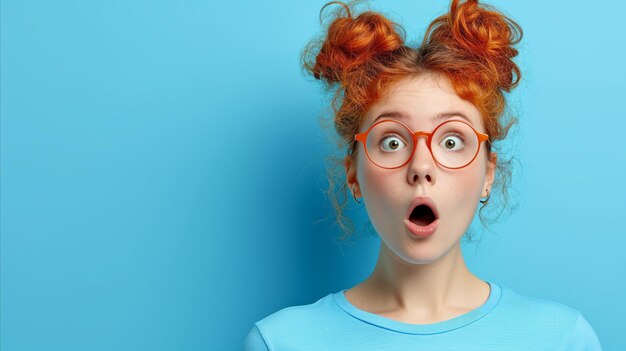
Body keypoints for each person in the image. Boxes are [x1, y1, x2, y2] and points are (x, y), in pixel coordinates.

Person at [244, 0, 603, 349]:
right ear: (353, 174)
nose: (421, 167)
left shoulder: (561, 339)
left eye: (451, 140)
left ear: (488, 173)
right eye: (392, 142)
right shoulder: (281, 342)